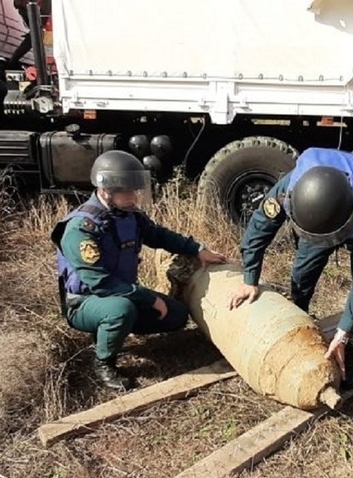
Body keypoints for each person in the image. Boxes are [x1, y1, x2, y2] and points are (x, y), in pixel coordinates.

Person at [51, 150, 227, 391]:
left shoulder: (129, 215)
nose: (135, 195)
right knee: (120, 310)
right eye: (128, 190)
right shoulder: (81, 229)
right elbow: (100, 283)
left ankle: (116, 326)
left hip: (121, 293)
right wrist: (148, 297)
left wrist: (197, 249)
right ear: (106, 190)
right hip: (85, 302)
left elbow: (158, 235)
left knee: (176, 315)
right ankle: (104, 361)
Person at [228, 147, 353, 390]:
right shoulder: (289, 191)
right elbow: (260, 227)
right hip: (318, 220)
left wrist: (344, 332)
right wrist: (250, 278)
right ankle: (300, 316)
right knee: (302, 272)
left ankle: (352, 345)